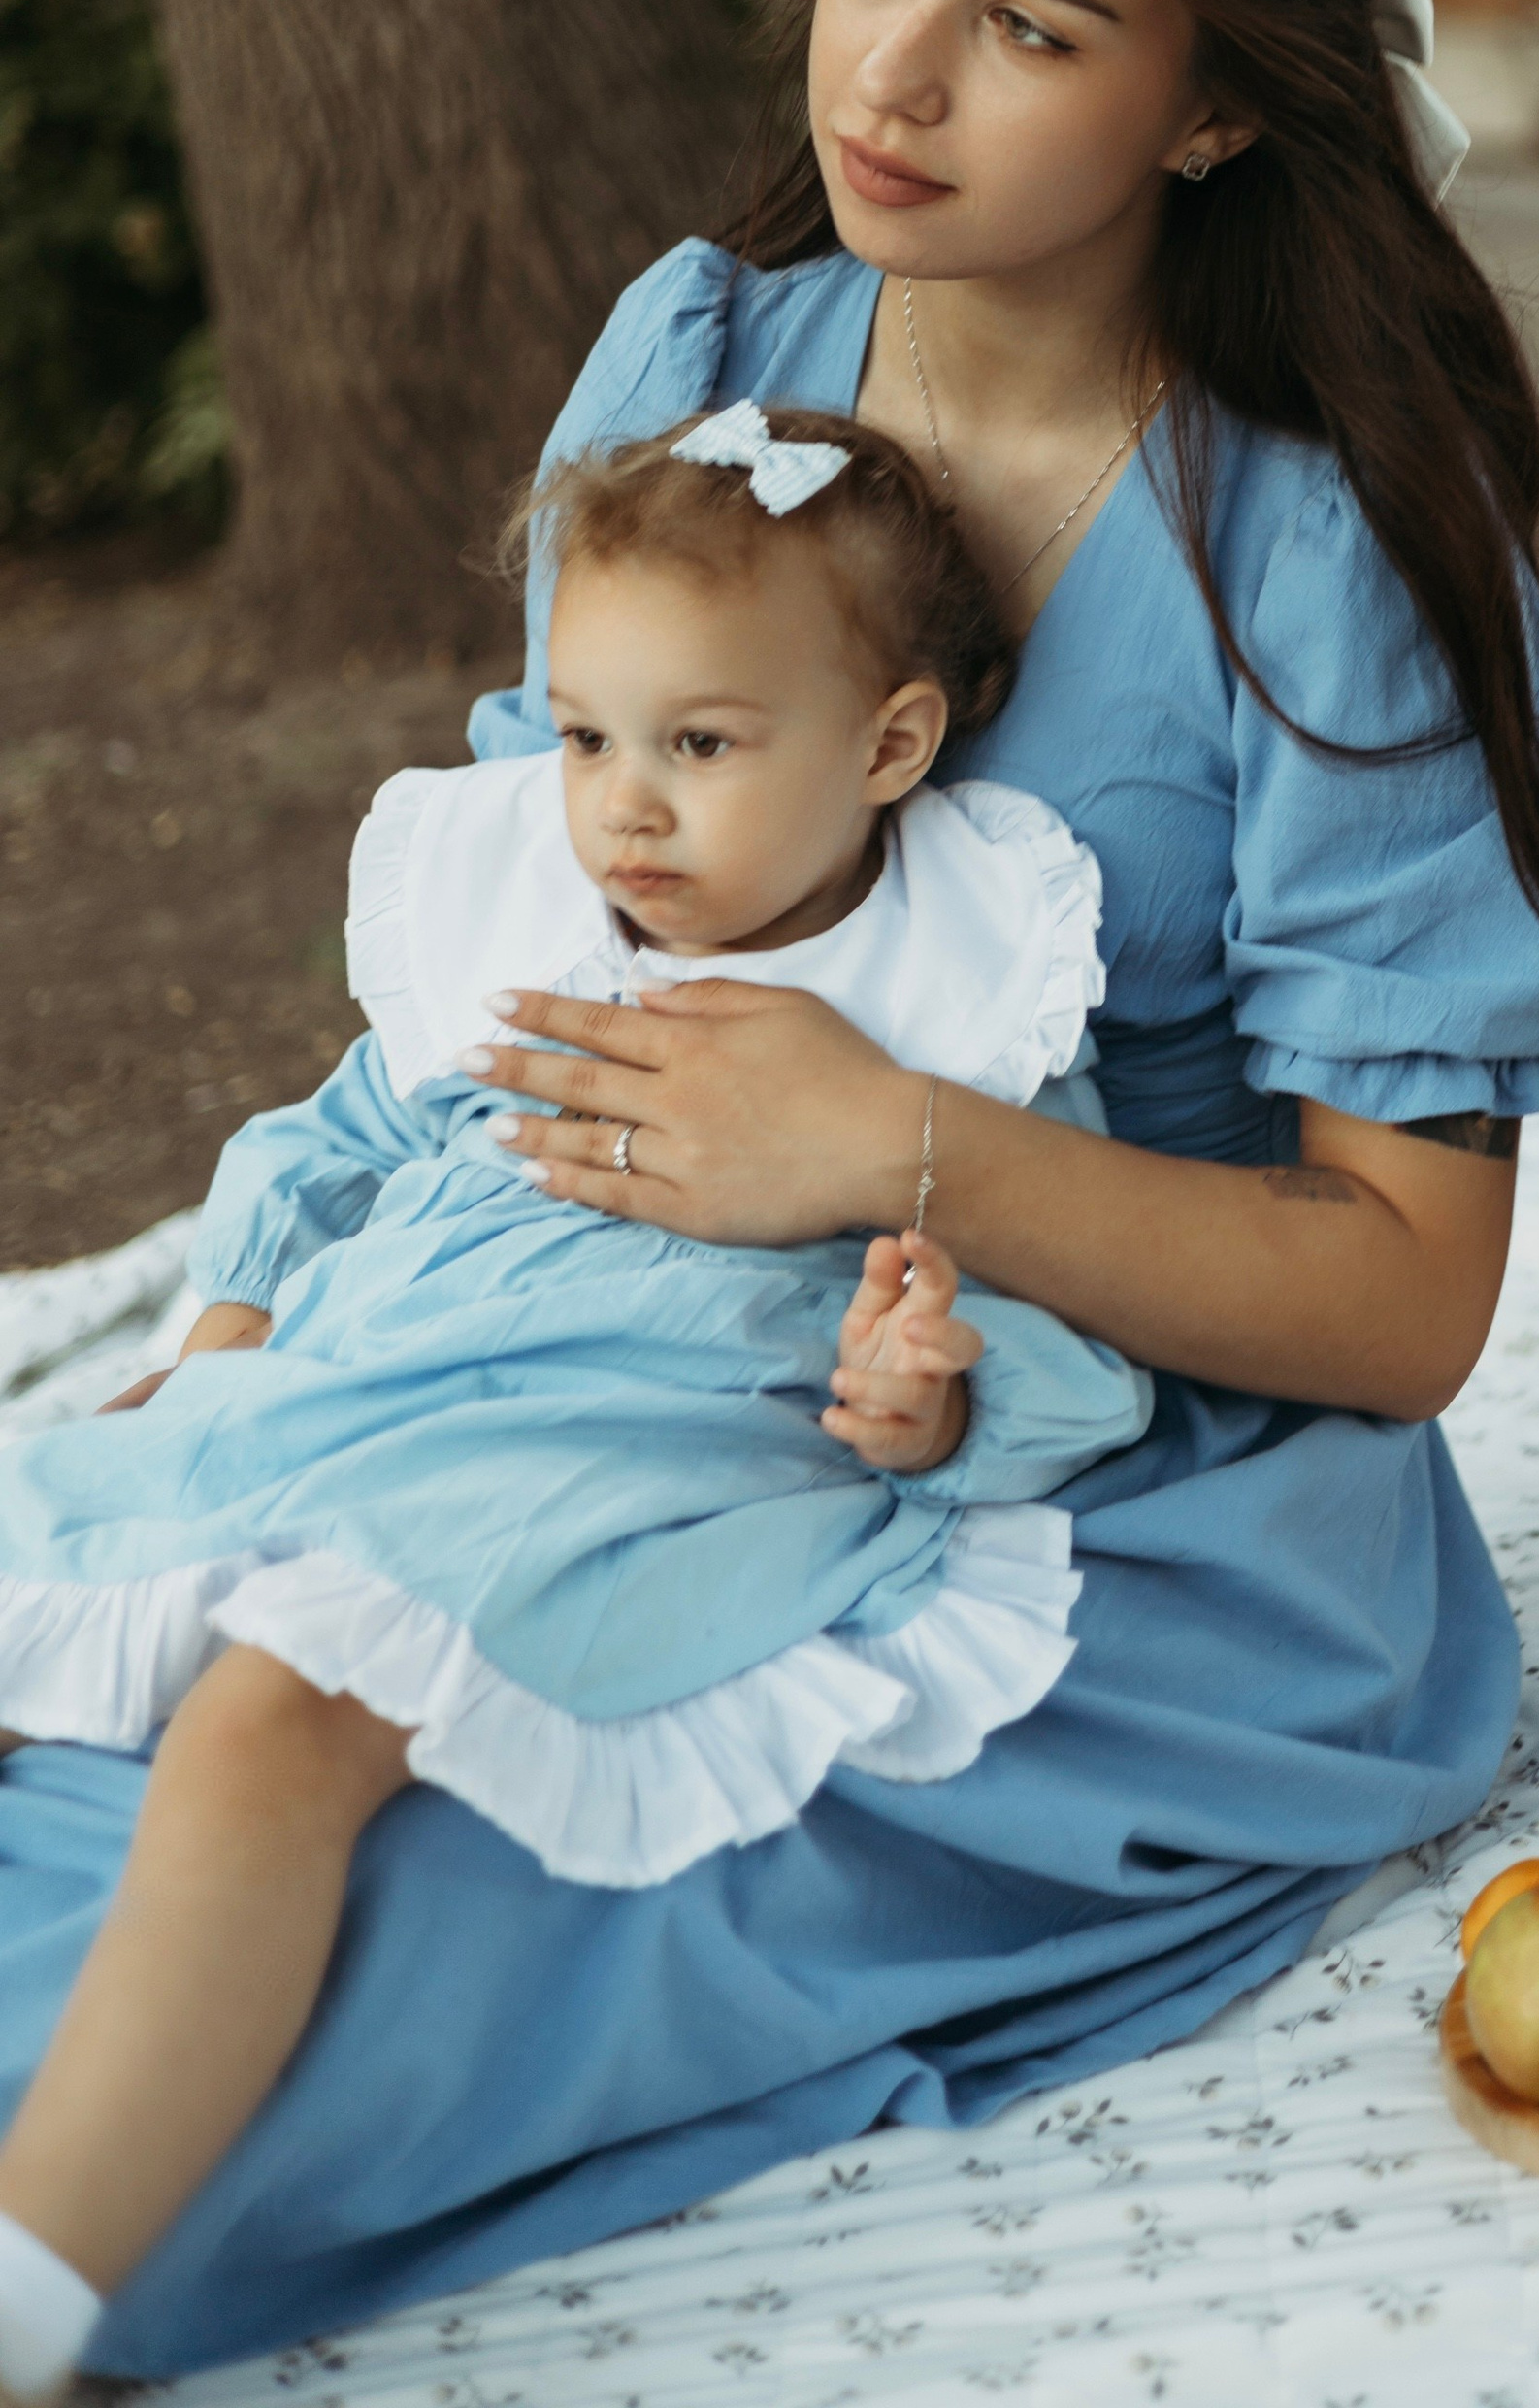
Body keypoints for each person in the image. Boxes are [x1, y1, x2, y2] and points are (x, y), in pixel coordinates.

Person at [0, 0, 1539, 2382]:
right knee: (137, 1690)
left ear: (1222, 94)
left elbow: (1408, 1301)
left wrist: (902, 1149)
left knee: (307, 1995)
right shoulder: (708, 363)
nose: (886, 80)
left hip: (1092, 1491)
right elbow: (545, 925)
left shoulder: (1333, 559)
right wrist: (270, 1299)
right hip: (569, 1350)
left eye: (1025, 24)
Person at [0, 404, 1149, 2396]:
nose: (620, 808)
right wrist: (234, 1321)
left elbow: (1062, 1318)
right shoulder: (539, 931)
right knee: (46, 1566)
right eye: (587, 737)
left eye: (699, 746)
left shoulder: (962, 1003)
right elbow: (334, 1134)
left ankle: (37, 2289)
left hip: (595, 1455)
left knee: (282, 1718)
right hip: (368, 1374)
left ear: (885, 747)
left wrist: (920, 1390)